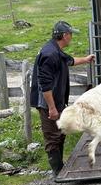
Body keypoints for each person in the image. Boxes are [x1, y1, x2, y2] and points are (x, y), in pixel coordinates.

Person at [30, 20, 95, 177]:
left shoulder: (55, 50)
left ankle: (60, 168)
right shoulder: (49, 53)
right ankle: (58, 171)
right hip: (47, 103)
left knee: (61, 131)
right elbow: (44, 85)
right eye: (70, 35)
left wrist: (86, 59)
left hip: (56, 101)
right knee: (52, 135)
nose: (71, 37)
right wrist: (51, 108)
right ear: (65, 35)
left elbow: (70, 61)